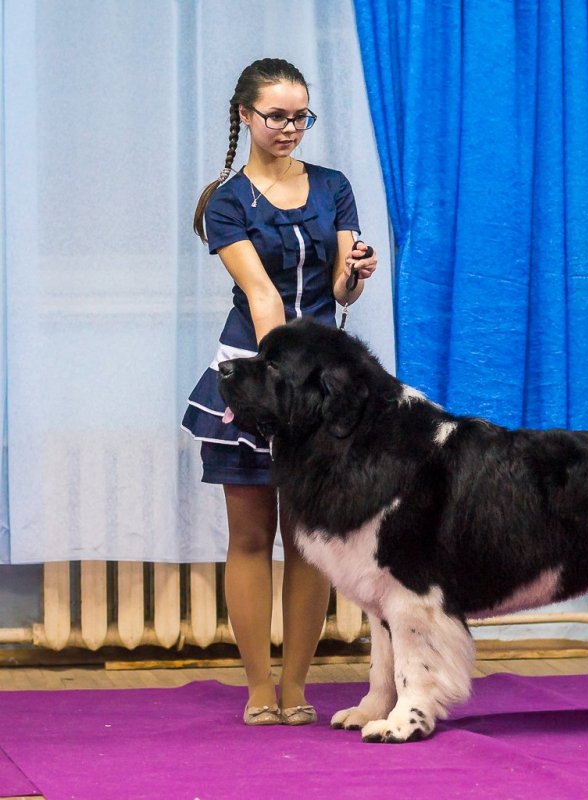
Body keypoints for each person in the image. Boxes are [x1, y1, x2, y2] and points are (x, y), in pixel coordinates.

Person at [182, 58, 377, 726]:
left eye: (302, 116)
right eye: (277, 116)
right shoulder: (227, 203)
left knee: (308, 539)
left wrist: (355, 275)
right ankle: (258, 687)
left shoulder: (334, 186)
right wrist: (284, 389)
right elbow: (263, 298)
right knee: (250, 535)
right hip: (258, 373)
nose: (291, 128)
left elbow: (344, 291)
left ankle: (297, 688)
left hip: (321, 383)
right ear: (245, 116)